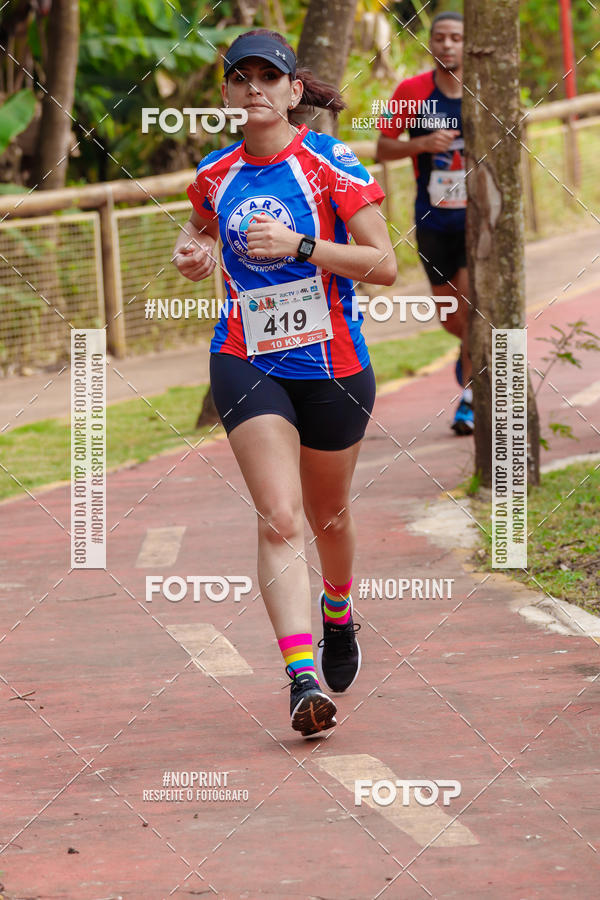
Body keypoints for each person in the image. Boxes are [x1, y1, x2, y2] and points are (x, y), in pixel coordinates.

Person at [173, 29, 396, 737]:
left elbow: (384, 264)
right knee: (280, 516)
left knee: (328, 516)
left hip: (332, 366)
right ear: (229, 93)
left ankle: (338, 606)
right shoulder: (216, 173)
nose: (256, 88)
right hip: (247, 359)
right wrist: (195, 252)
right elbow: (202, 230)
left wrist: (301, 246)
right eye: (243, 78)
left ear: (295, 91)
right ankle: (302, 680)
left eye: (271, 77)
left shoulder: (330, 164)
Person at [376, 11, 473, 435]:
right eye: (440, 37)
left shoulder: (483, 90)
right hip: (433, 219)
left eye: (455, 38)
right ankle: (468, 354)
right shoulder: (412, 92)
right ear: (431, 43)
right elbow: (382, 148)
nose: (447, 44)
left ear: (468, 45)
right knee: (452, 318)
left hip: (478, 221)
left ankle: (468, 401)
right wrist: (420, 144)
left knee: (475, 314)